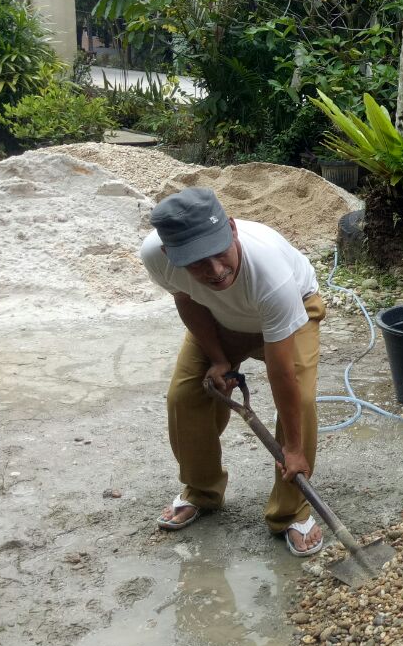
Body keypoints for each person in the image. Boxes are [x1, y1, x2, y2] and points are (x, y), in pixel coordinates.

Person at [140, 187, 326, 557]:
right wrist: (218, 358)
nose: (215, 271)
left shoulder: (269, 271)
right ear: (169, 255)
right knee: (184, 395)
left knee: (299, 402)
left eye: (219, 253)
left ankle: (291, 511)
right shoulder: (155, 257)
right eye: (196, 263)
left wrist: (292, 447)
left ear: (232, 228)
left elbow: (281, 373)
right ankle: (201, 489)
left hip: (292, 313)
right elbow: (185, 298)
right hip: (219, 319)